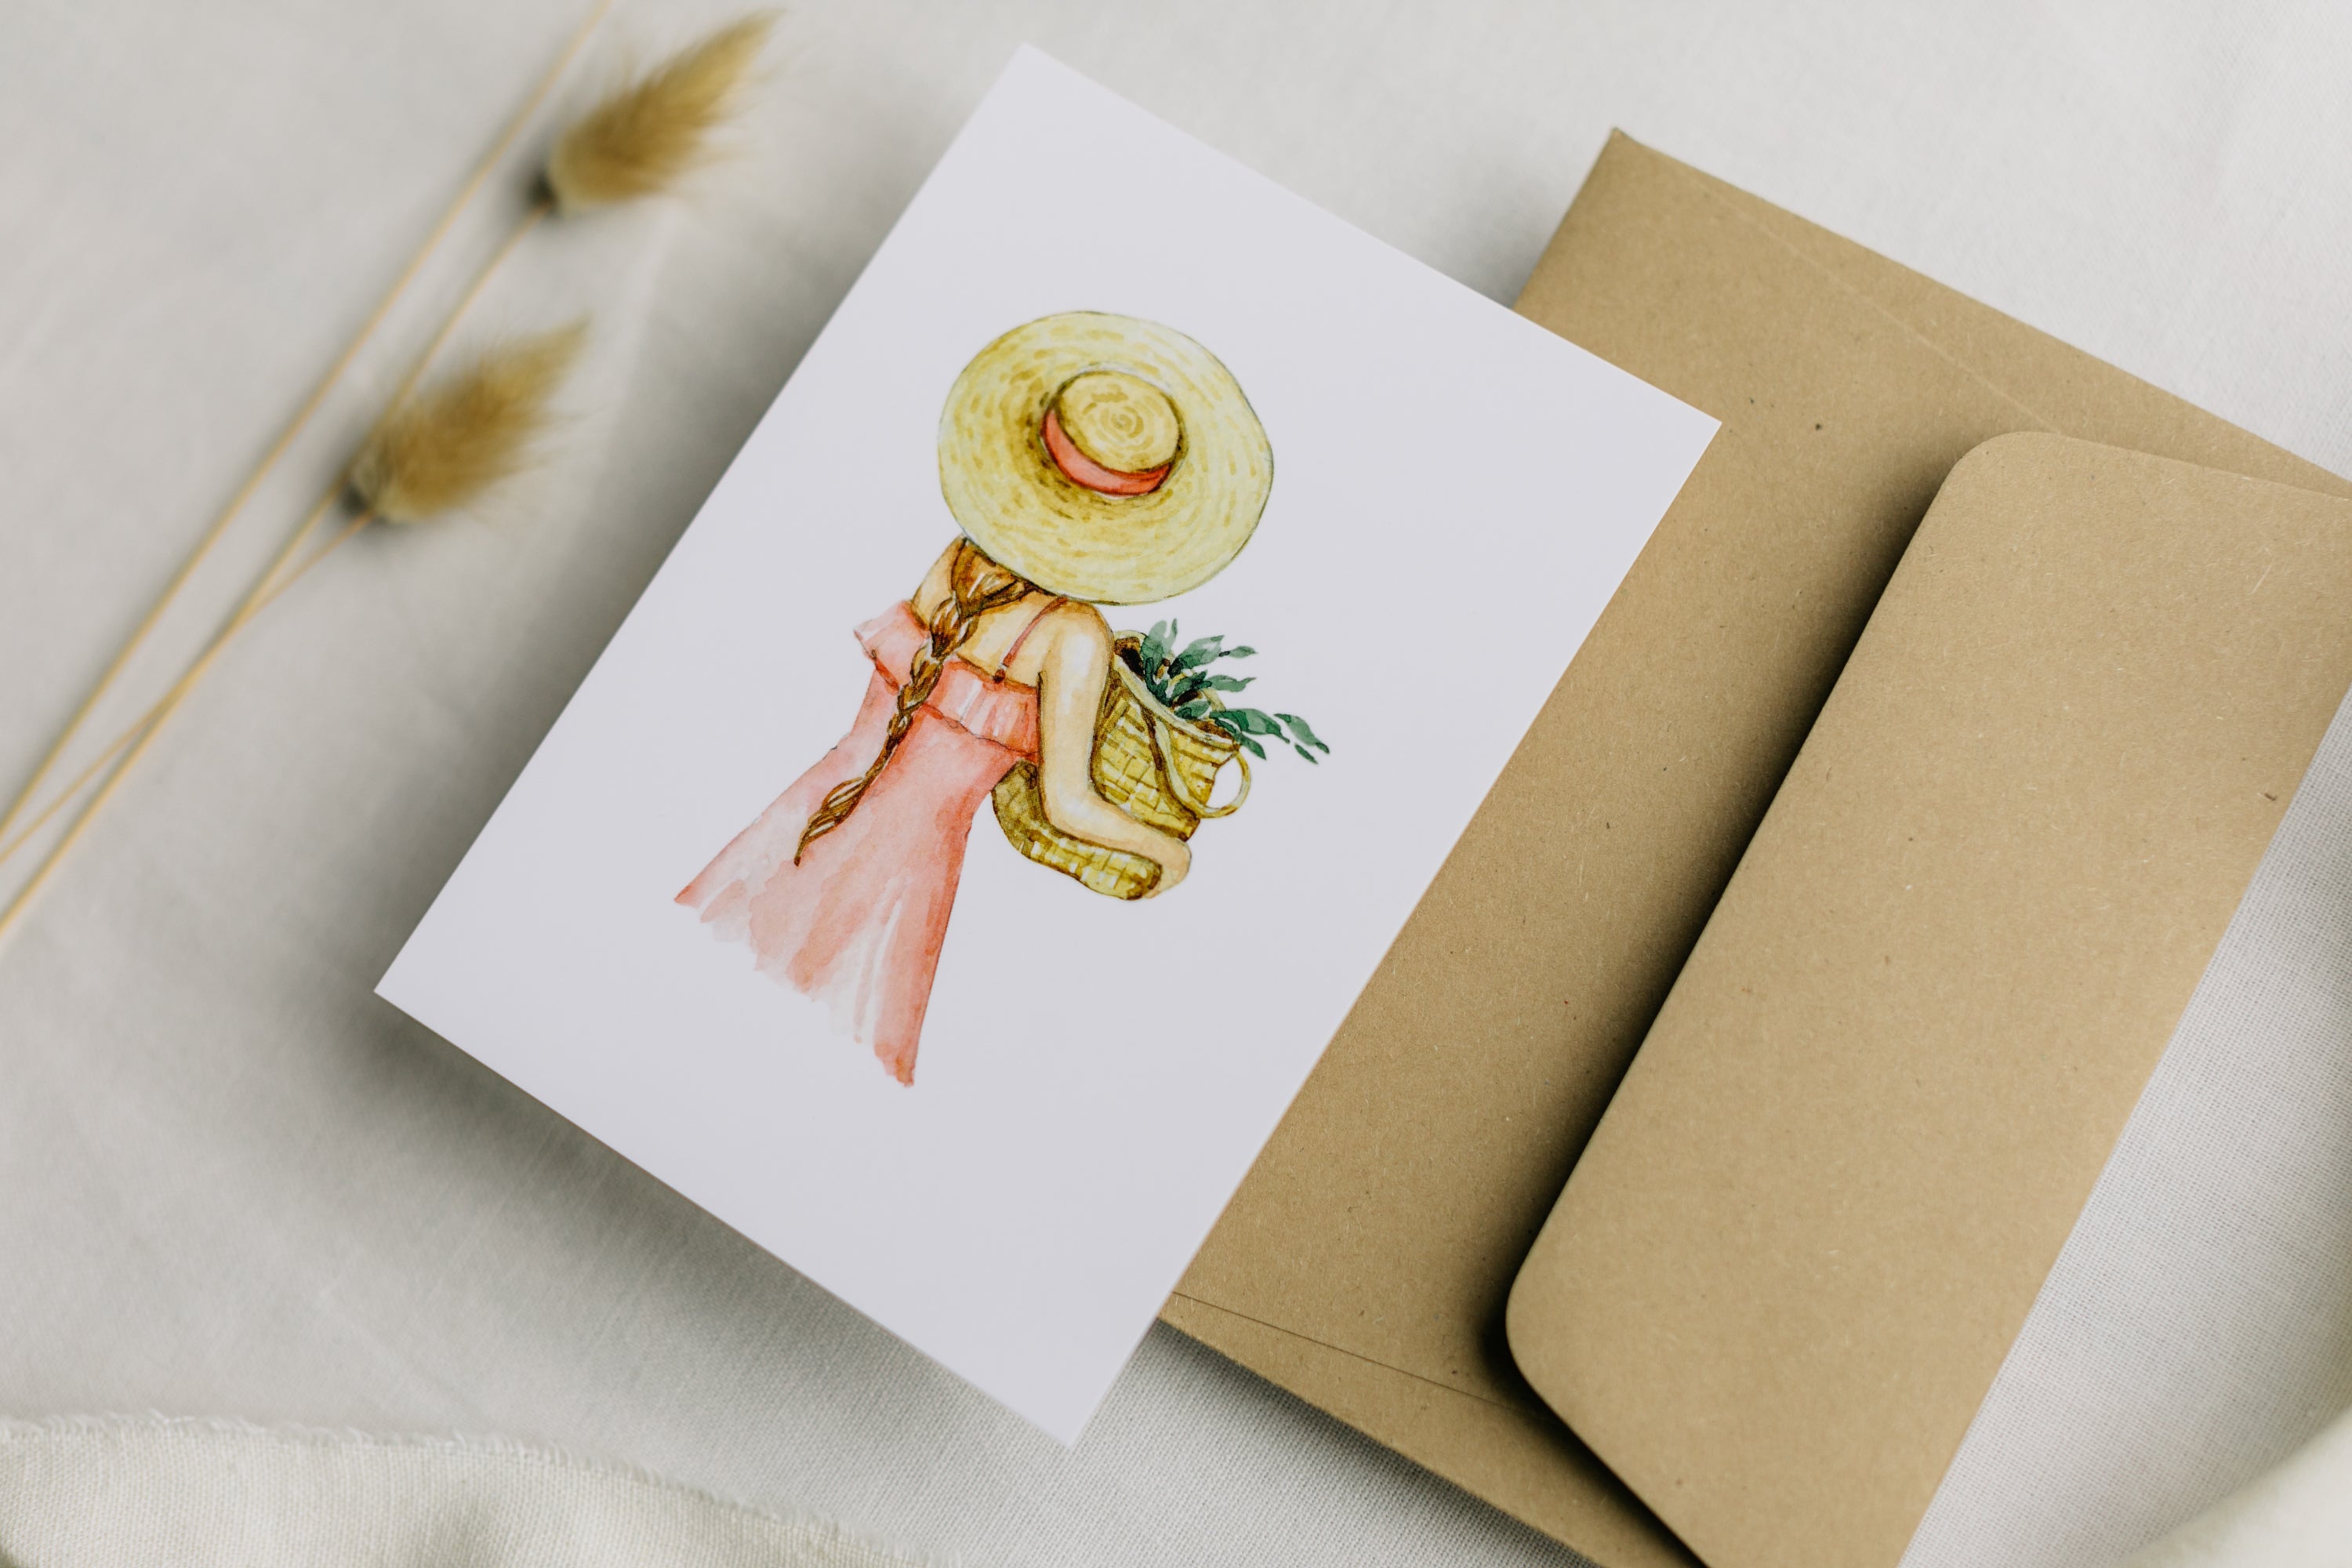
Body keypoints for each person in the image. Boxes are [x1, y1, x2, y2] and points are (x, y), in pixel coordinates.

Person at [677, 312, 1274, 1084]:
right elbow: (1066, 803)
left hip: (804, 816)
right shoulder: (1075, 635)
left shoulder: (961, 559)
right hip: (899, 881)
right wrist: (1170, 849)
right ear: (1140, 530)